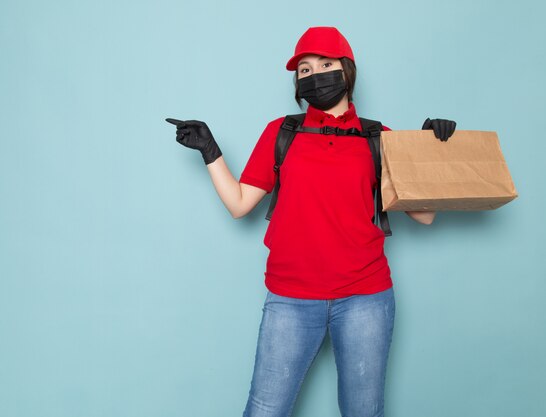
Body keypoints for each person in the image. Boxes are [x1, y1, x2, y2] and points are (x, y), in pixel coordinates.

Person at [166, 26, 456, 417]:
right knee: (265, 409)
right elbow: (239, 205)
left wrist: (428, 151)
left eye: (324, 64)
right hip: (290, 298)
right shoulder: (282, 132)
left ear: (346, 71)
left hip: (365, 297)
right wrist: (210, 151)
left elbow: (424, 214)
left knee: (363, 411)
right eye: (304, 69)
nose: (314, 75)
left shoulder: (378, 137)